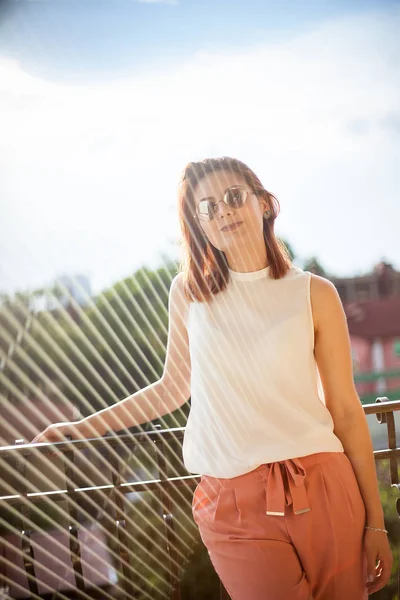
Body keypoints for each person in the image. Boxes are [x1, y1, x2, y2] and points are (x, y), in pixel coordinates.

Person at [33, 157, 393, 599]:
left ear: (264, 204)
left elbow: (344, 408)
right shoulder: (188, 292)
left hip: (323, 484)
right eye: (207, 207)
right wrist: (81, 428)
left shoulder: (314, 293)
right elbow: (171, 387)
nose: (222, 210)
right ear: (199, 225)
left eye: (233, 197)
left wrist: (375, 523)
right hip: (233, 499)